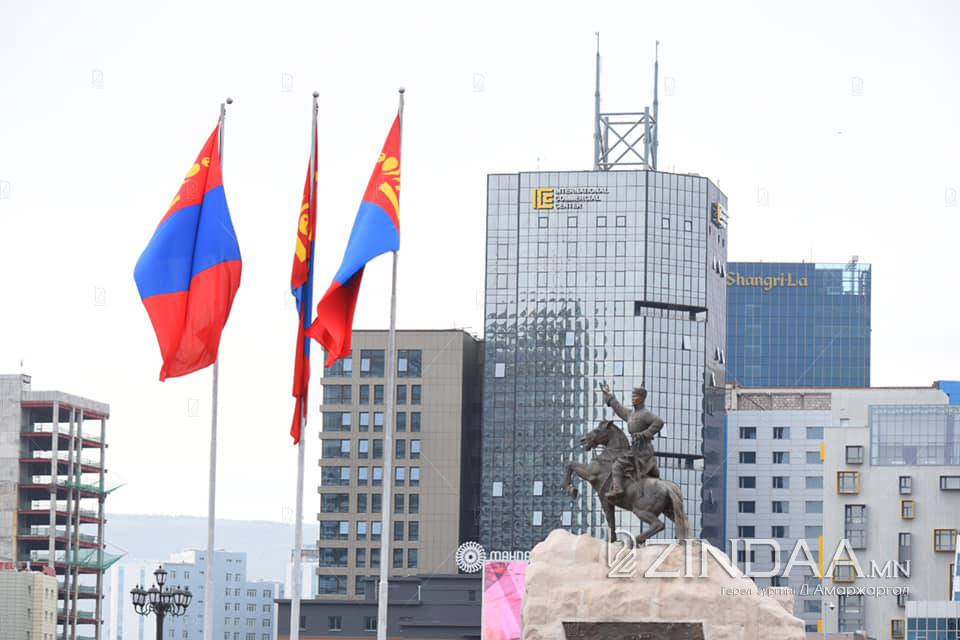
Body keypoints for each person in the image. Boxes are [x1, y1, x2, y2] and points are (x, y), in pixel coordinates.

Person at [600, 383, 664, 499]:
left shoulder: (645, 414)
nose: (633, 398)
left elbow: (659, 422)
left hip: (642, 451)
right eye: (632, 396)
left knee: (617, 465)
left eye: (636, 396)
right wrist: (609, 394)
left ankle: (618, 489)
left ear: (642, 398)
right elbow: (619, 409)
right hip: (634, 449)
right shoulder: (631, 414)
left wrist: (644, 434)